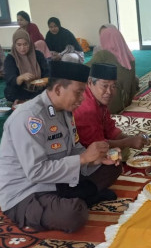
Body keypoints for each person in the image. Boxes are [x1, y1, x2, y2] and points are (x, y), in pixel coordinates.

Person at [0, 61, 122, 233]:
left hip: (58, 180)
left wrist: (96, 159)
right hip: (27, 192)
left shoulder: (65, 110)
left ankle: (80, 194)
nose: (82, 98)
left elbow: (73, 149)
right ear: (58, 89)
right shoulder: (29, 118)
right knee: (73, 214)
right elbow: (36, 172)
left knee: (113, 167)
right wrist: (83, 158)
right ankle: (82, 196)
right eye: (78, 93)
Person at [74, 63, 149, 161]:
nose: (109, 91)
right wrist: (128, 142)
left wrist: (132, 138)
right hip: (78, 156)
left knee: (123, 150)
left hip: (94, 144)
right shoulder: (87, 107)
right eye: (104, 86)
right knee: (117, 157)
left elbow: (110, 130)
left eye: (113, 86)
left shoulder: (97, 97)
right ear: (90, 82)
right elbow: (97, 146)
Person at [87, 27, 138, 114]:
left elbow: (85, 69)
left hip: (109, 105)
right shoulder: (130, 56)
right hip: (126, 103)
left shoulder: (104, 54)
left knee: (87, 81)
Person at [4, 29, 49, 102]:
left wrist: (42, 81)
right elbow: (10, 79)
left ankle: (26, 100)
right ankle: (30, 99)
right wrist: (21, 78)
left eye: (25, 44)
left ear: (30, 43)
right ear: (14, 45)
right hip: (21, 89)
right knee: (9, 91)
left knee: (50, 87)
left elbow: (47, 72)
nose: (22, 48)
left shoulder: (38, 55)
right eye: (19, 45)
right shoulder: (11, 58)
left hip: (38, 88)